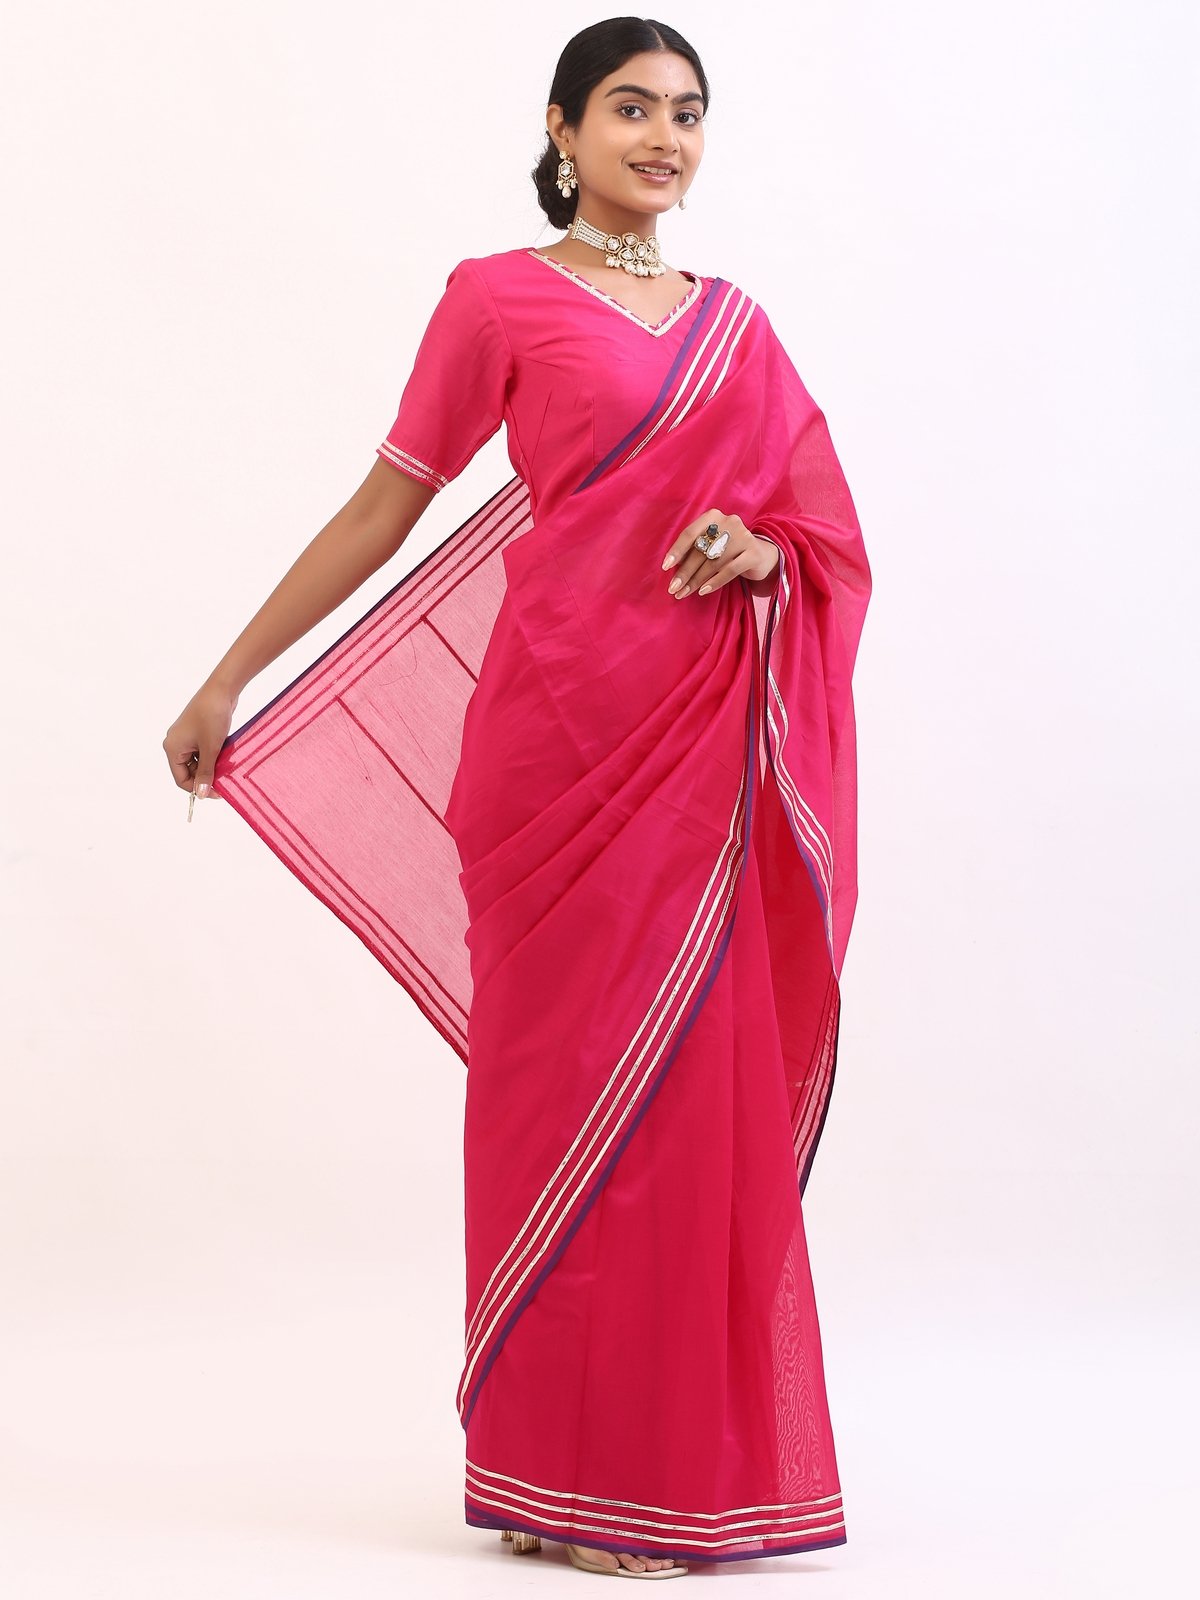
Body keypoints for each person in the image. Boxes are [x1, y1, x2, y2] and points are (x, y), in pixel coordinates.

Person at [163, 15, 871, 1581]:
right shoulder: (496, 298)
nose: (664, 138)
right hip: (550, 757)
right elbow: (387, 505)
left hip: (696, 759)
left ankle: (658, 1477)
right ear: (562, 128)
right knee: (551, 1106)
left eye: (688, 112)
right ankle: (554, 1479)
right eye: (630, 107)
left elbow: (825, 536)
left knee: (682, 1109)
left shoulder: (740, 330)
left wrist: (762, 551)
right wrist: (230, 675)